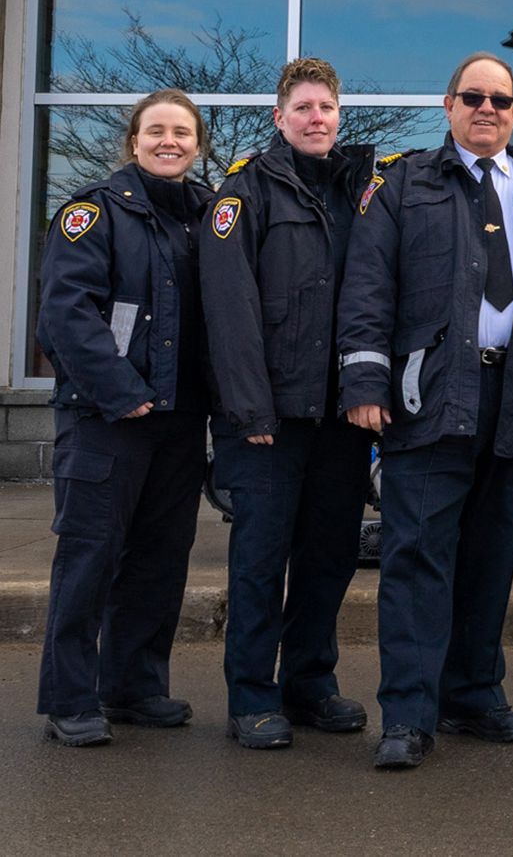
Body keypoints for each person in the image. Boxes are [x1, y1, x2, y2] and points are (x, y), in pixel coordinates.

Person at [338, 51, 513, 771]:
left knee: (492, 558)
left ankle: (473, 696)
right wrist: (363, 383)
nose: (488, 109)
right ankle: (409, 715)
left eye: (502, 100)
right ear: (447, 104)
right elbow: (366, 287)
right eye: (473, 97)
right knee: (417, 557)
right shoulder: (400, 186)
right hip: (430, 396)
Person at [200, 58, 382, 749]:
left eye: (326, 109)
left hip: (340, 416)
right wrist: (249, 412)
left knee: (328, 557)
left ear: (340, 117)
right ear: (279, 118)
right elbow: (230, 310)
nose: (316, 119)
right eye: (302, 108)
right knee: (259, 559)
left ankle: (311, 685)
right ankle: (251, 696)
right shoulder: (245, 192)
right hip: (268, 420)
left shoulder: (359, 190)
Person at [35, 91, 214, 746]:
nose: (170, 141)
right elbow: (64, 313)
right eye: (156, 131)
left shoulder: (205, 215)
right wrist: (121, 389)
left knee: (160, 560)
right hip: (106, 417)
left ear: (199, 143)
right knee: (90, 558)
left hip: (181, 421)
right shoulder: (93, 212)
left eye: (183, 132)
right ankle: (70, 698)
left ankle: (134, 687)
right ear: (133, 140)